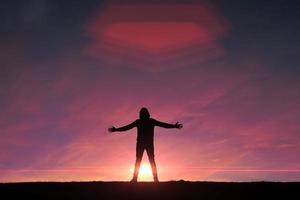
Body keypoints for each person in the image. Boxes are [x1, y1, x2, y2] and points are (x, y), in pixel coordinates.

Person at [108, 107, 183, 182]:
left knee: (145, 160)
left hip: (145, 144)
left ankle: (148, 179)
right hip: (143, 144)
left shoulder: (146, 121)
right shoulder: (144, 121)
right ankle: (143, 179)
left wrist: (174, 126)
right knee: (145, 160)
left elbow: (163, 125)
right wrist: (116, 129)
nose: (142, 115)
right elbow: (127, 127)